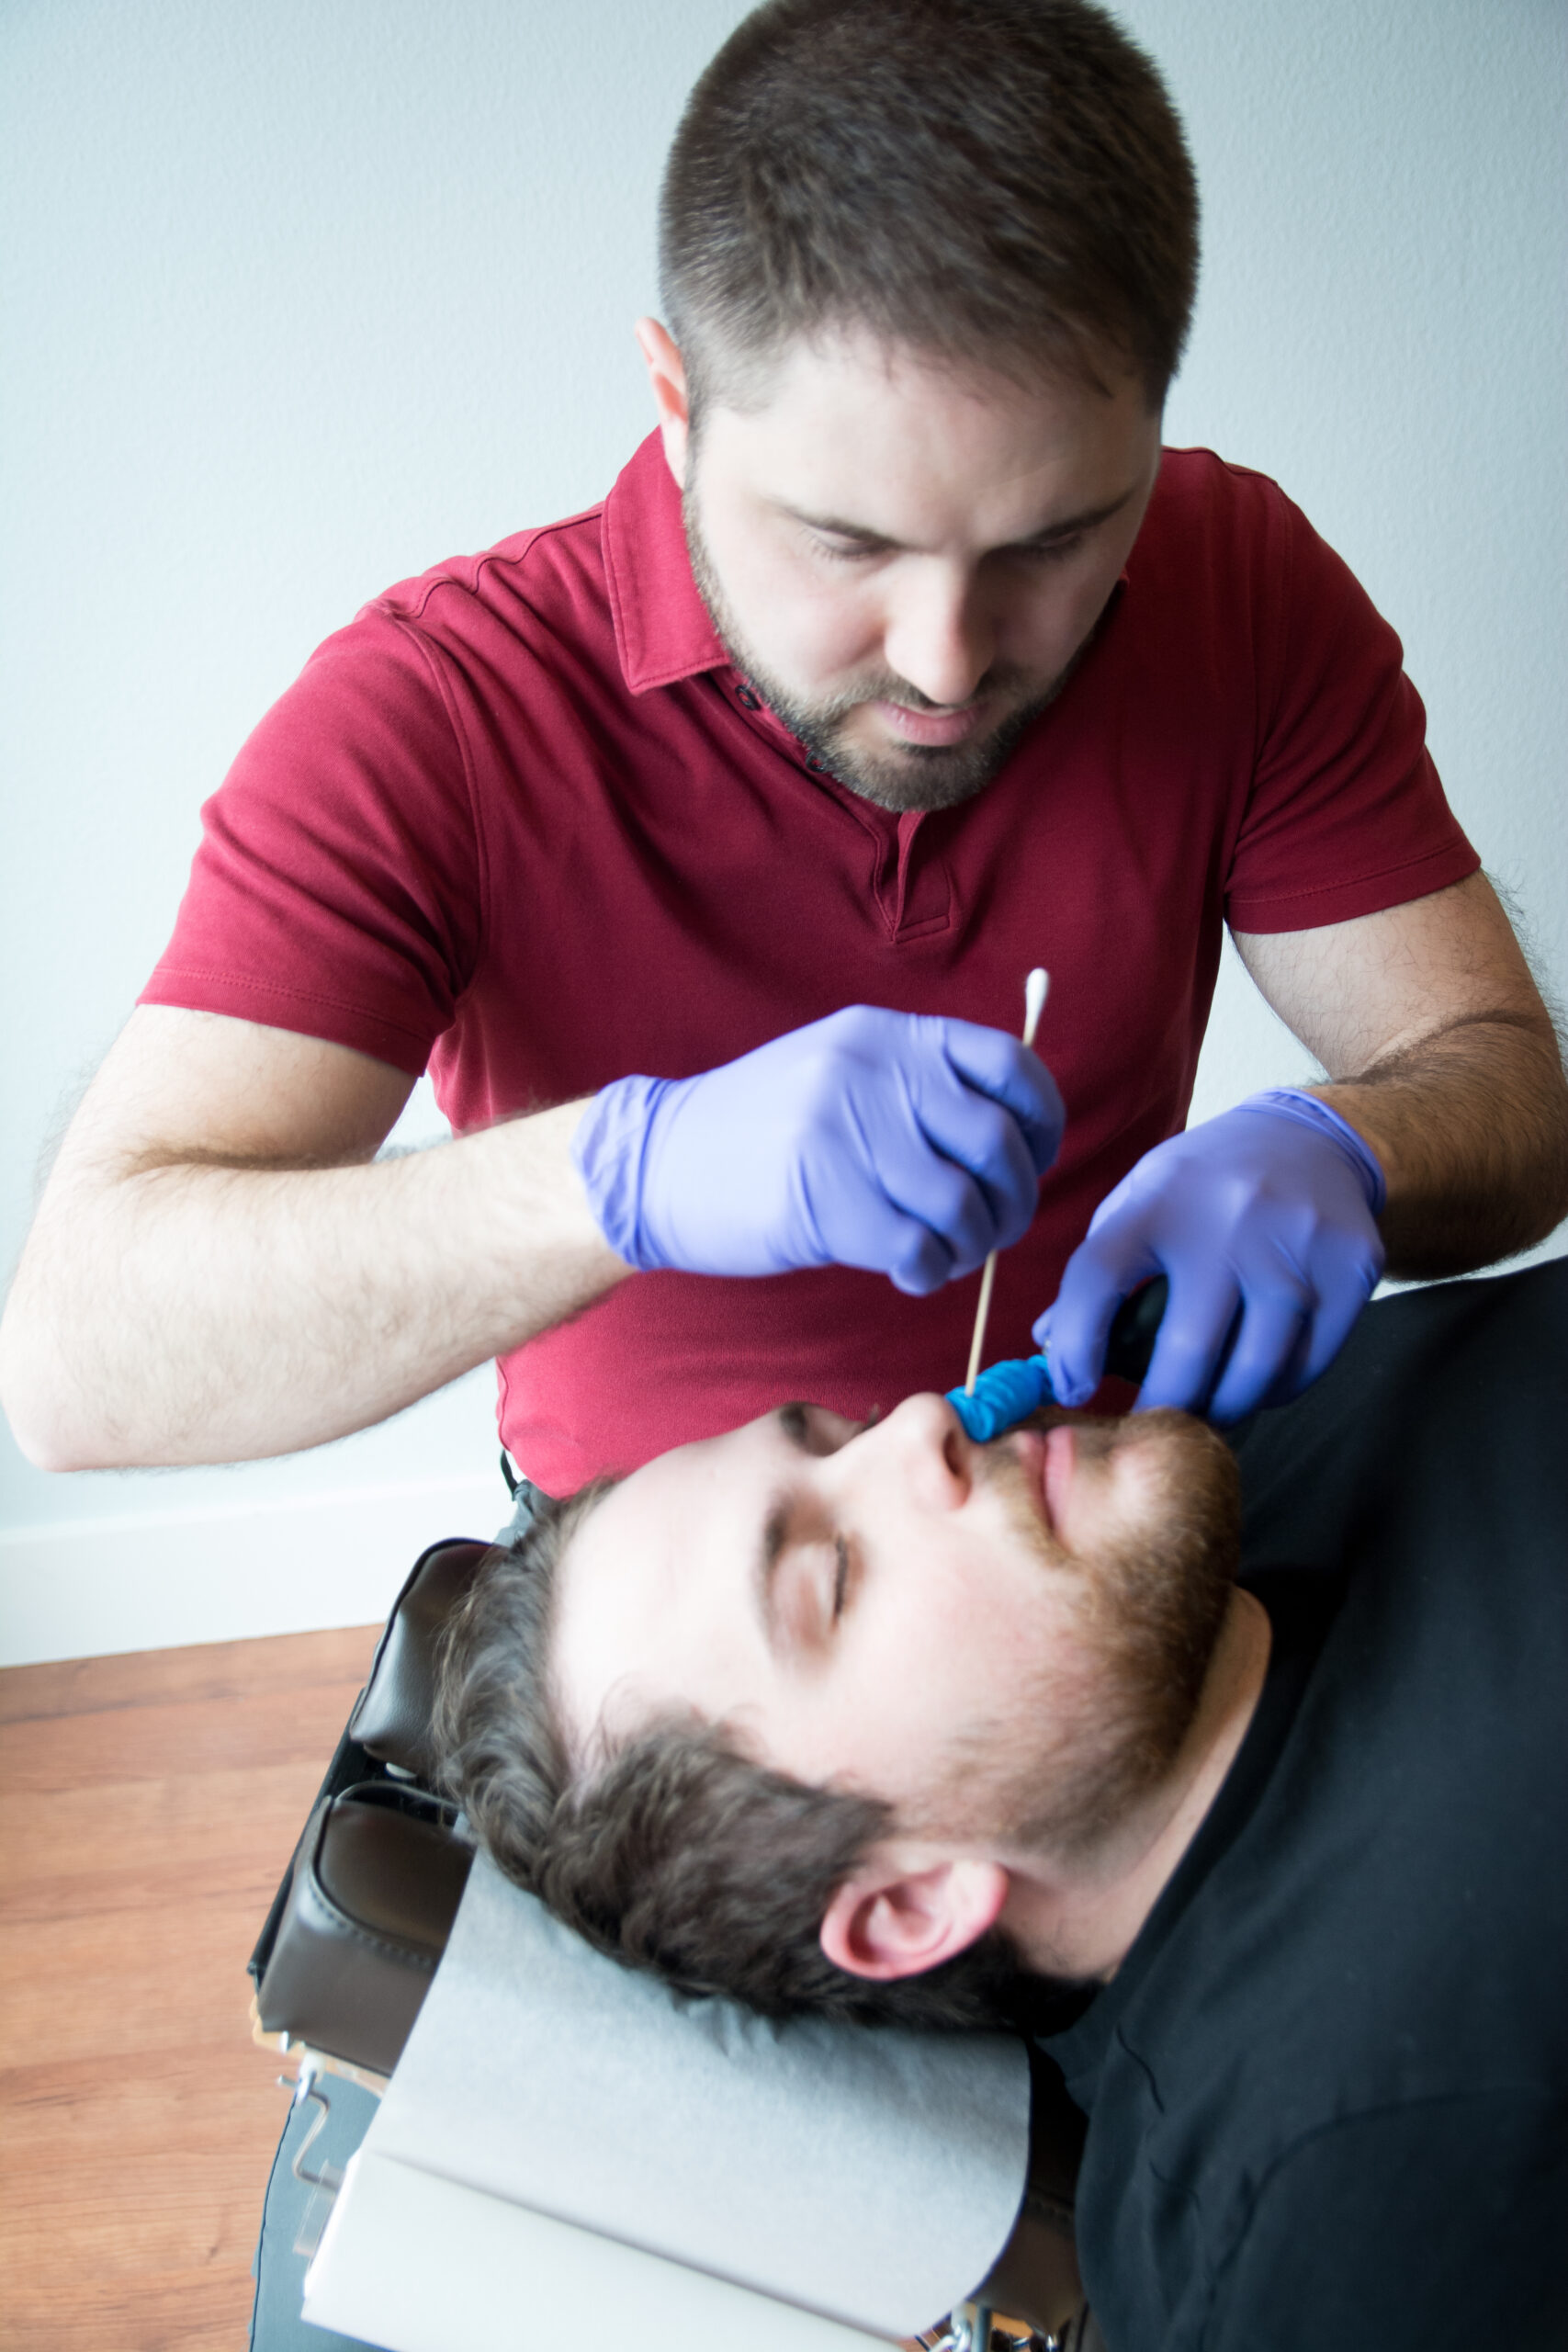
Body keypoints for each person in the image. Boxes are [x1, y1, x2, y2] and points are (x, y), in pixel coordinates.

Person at [1, 0, 1565, 1493]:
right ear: (676, 404)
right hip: (669, 1603)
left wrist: (1356, 1148)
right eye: (844, 542)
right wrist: (633, 1174)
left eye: (1055, 539)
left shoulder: (1236, 583)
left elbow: (1510, 1095)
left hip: (1101, 1510)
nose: (949, 662)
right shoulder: (440, 717)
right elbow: (78, 1363)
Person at [434, 1260, 1568, 2349]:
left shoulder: (1234, 1473)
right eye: (834, 1576)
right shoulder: (1326, 2204)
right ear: (911, 1902)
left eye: (839, 1438)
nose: (925, 1420)